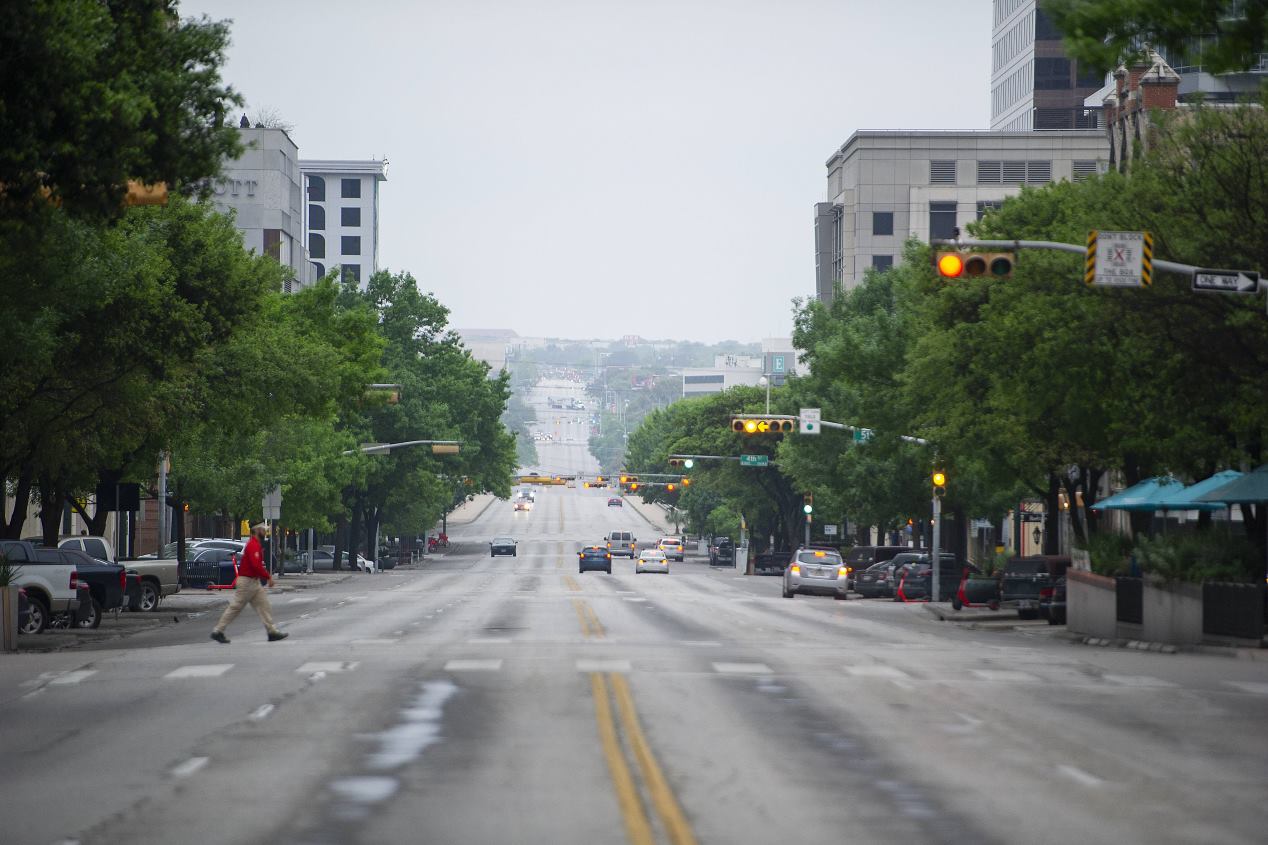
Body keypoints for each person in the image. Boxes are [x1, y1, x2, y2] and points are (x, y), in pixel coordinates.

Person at [210, 522, 287, 644]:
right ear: (256, 531)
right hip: (246, 582)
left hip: (254, 582)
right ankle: (218, 631)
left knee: (264, 605)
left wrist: (266, 577)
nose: (265, 532)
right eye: (263, 530)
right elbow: (256, 565)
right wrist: (268, 577)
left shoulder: (256, 544)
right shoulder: (252, 545)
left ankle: (272, 631)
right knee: (236, 607)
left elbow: (256, 566)